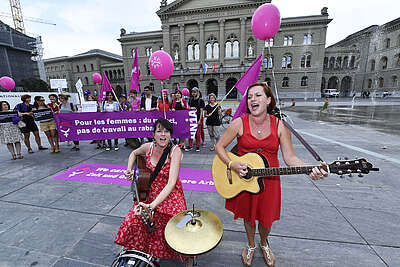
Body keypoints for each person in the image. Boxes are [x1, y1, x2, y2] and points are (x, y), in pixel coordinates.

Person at [215, 83, 328, 267]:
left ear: (268, 100)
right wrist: (232, 164)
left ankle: (264, 242)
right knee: (249, 217)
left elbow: (290, 158)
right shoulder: (238, 124)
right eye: (250, 96)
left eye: (258, 95)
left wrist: (310, 169)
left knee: (266, 219)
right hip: (245, 178)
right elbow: (219, 147)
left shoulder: (280, 126)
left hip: (270, 180)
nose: (252, 99)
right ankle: (251, 244)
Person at [115, 119, 193, 267]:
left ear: (170, 135)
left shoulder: (175, 151)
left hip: (171, 195)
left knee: (179, 226)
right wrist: (129, 169)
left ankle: (189, 256)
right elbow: (133, 153)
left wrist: (152, 205)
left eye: (166, 131)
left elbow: (171, 183)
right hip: (149, 192)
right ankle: (146, 251)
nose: (163, 135)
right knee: (134, 220)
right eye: (159, 131)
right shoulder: (148, 147)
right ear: (153, 134)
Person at [187, 87, 205, 152]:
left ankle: (197, 146)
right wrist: (191, 108)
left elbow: (201, 111)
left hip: (198, 118)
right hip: (191, 118)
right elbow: (188, 108)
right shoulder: (190, 100)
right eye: (192, 92)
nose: (193, 93)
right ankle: (190, 145)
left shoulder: (201, 101)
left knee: (198, 133)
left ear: (198, 92)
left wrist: (200, 120)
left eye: (195, 92)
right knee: (191, 132)